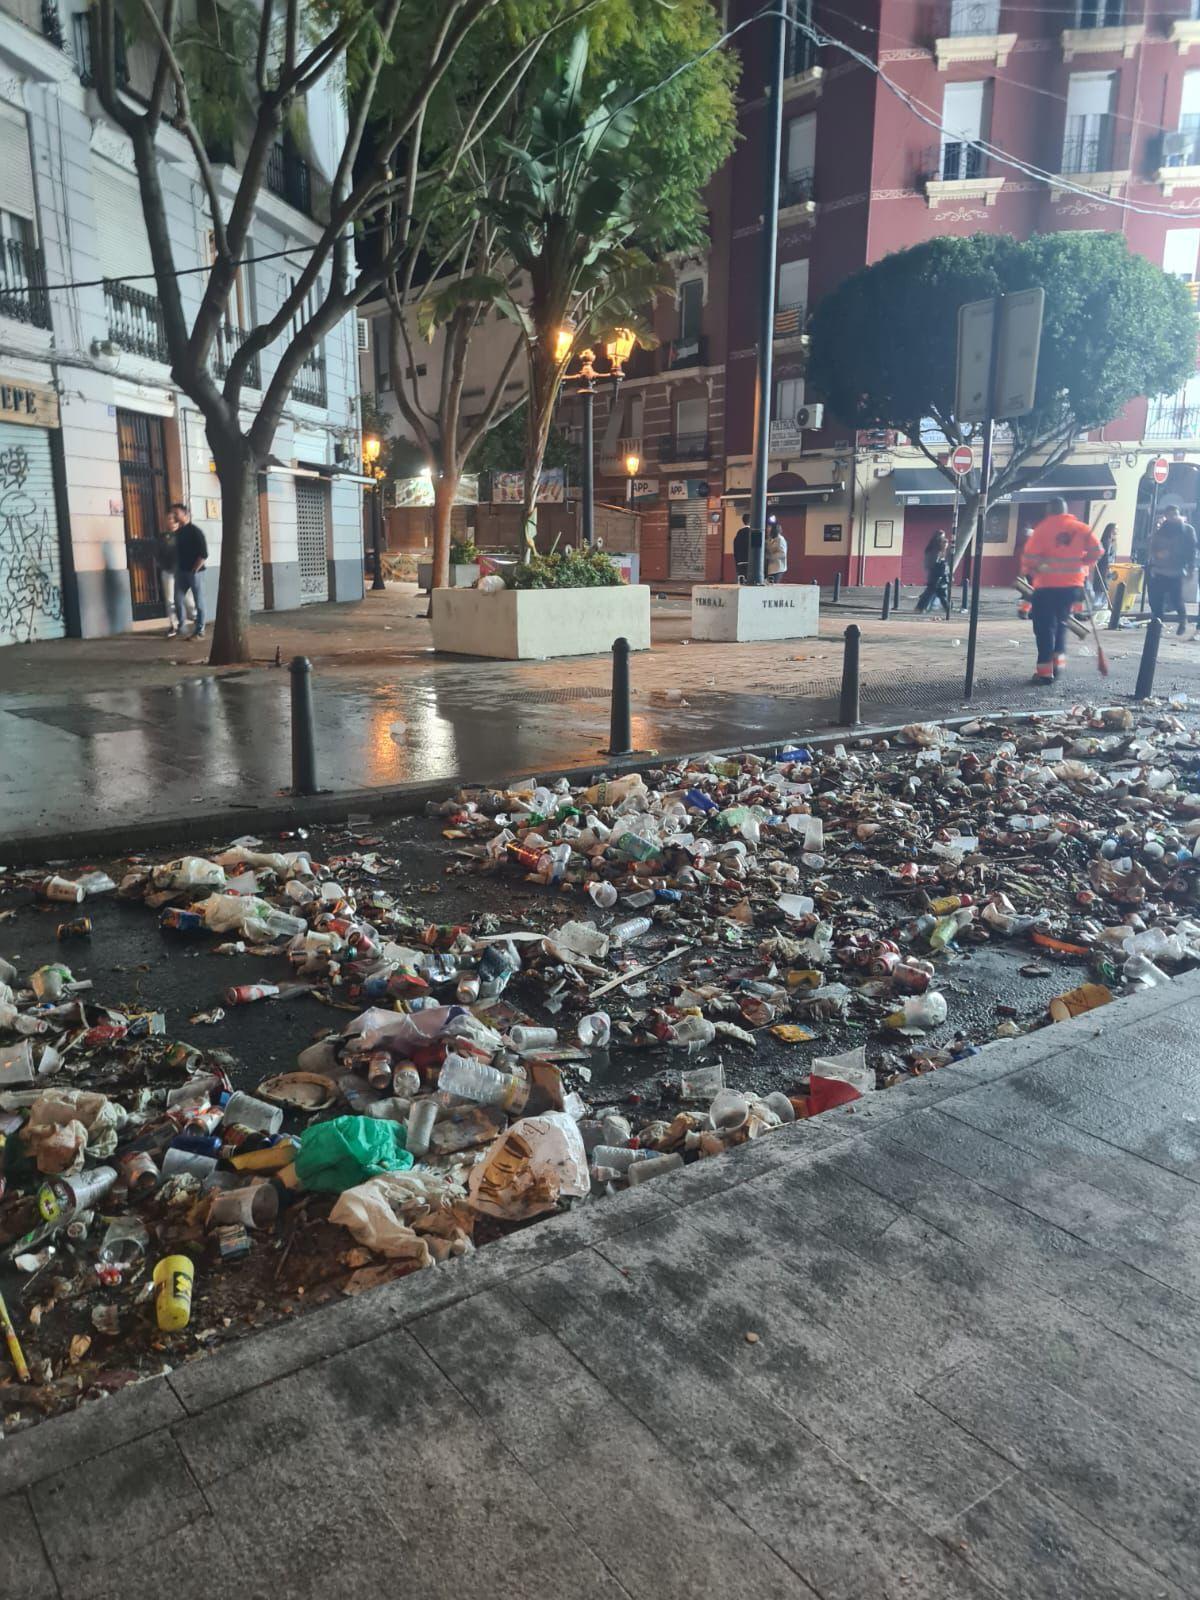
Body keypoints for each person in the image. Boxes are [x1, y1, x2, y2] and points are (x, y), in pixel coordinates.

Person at [1020, 497, 1102, 683]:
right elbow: (1097, 551)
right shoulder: (1081, 528)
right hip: (1072, 587)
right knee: (1061, 625)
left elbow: (1029, 559)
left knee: (1044, 628)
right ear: (1065, 510)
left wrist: (1034, 568)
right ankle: (1058, 665)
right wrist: (1082, 562)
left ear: (1049, 511)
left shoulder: (1042, 530)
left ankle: (1045, 673)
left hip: (1047, 587)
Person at [1145, 503, 1196, 638]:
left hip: (1177, 570)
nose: (1173, 517)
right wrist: (1156, 554)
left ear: (1179, 514)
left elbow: (1191, 550)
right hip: (1160, 569)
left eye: (1175, 514)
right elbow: (1152, 546)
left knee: (1176, 598)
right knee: (1158, 600)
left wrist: (1191, 567)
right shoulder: (1161, 529)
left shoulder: (1186, 530)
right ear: (1166, 516)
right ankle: (1157, 625)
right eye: (1169, 515)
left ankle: (1182, 620)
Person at [171, 502, 208, 641]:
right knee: (177, 599)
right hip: (181, 571)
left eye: (176, 513)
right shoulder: (177, 533)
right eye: (173, 513)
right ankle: (182, 627)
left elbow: (203, 553)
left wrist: (195, 569)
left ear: (185, 515)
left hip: (195, 572)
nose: (174, 515)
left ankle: (200, 630)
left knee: (199, 601)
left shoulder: (195, 531)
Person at [915, 530, 950, 615]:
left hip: (935, 573)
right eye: (942, 537)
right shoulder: (936, 549)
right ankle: (921, 607)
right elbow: (935, 563)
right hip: (936, 573)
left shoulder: (934, 548)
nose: (943, 539)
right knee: (933, 591)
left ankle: (922, 607)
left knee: (937, 592)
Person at [764, 517, 788, 583]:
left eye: (769, 527)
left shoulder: (780, 539)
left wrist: (770, 557)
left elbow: (782, 554)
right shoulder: (770, 539)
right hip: (770, 568)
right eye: (768, 527)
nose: (767, 529)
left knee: (773, 586)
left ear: (774, 529)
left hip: (777, 568)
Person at [733, 514, 751, 583]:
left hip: (740, 562)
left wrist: (737, 563)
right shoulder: (753, 533)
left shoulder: (738, 534)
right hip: (751, 563)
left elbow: (735, 550)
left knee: (741, 582)